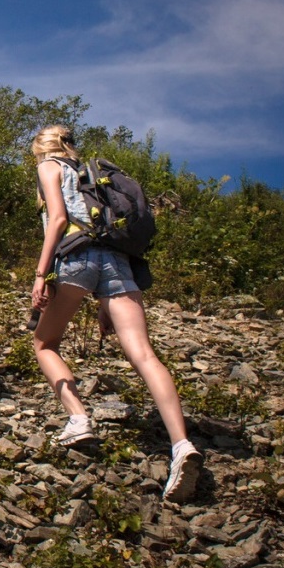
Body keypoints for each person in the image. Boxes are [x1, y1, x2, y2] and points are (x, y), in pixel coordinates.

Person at [30, 124, 203, 502]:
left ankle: (78, 419)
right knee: (143, 354)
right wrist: (102, 302)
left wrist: (41, 274)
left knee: (45, 344)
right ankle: (181, 445)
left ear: (42, 149)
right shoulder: (94, 175)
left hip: (74, 260)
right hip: (118, 262)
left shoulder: (49, 168)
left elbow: (58, 220)